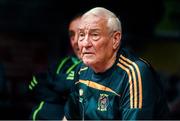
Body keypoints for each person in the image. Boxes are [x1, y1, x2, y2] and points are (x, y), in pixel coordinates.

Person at [64, 7, 169, 120]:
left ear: (115, 39)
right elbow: (69, 118)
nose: (85, 43)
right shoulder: (81, 69)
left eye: (94, 35)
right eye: (81, 35)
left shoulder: (134, 72)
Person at [28, 14, 82, 120]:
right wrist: (61, 95)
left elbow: (78, 93)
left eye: (81, 34)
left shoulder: (94, 68)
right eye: (72, 35)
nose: (75, 41)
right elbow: (34, 84)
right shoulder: (64, 62)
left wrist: (54, 84)